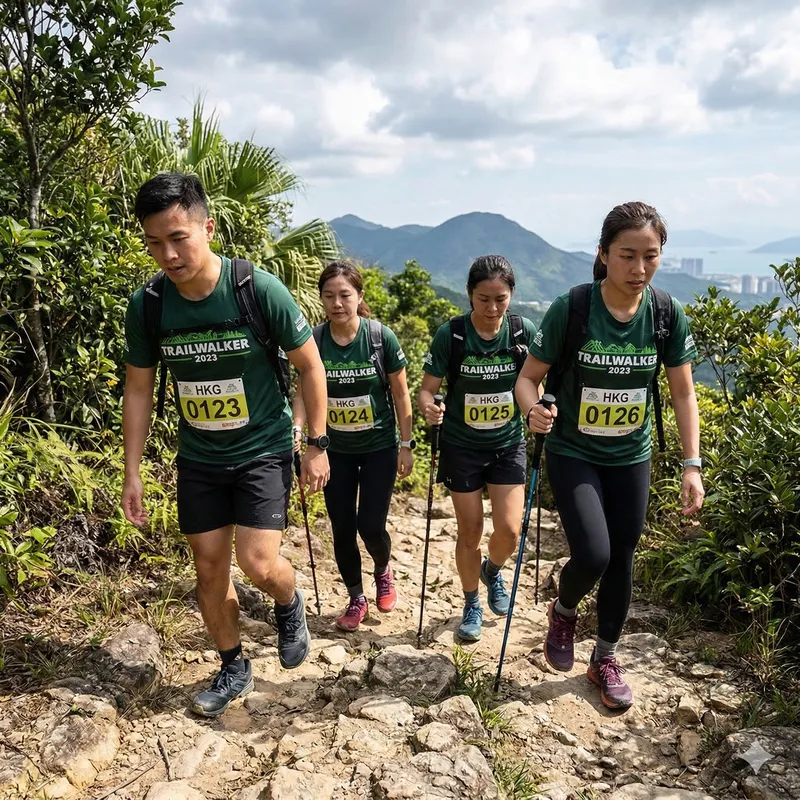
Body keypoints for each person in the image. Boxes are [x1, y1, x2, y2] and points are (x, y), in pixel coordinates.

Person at [121, 173, 330, 718]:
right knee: (209, 569)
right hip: (199, 457)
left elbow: (311, 366)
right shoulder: (149, 306)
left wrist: (317, 443)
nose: (167, 255)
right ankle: (233, 665)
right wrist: (132, 470)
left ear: (207, 228)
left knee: (258, 563)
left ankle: (288, 600)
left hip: (262, 448)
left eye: (178, 238)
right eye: (154, 242)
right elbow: (139, 388)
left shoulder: (256, 289)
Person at [515, 201, 704, 710]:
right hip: (574, 451)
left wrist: (692, 464)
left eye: (650, 255)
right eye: (627, 255)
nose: (639, 268)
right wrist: (533, 410)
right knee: (595, 553)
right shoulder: (573, 308)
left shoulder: (665, 314)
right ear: (603, 254)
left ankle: (605, 657)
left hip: (631, 455)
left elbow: (683, 392)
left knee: (622, 554)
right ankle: (564, 609)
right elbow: (528, 379)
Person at [419, 255, 537, 642]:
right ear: (469, 294)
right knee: (470, 530)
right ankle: (471, 602)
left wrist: (538, 408)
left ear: (511, 295)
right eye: (483, 299)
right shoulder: (452, 335)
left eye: (500, 299)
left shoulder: (522, 332)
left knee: (510, 530)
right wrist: (429, 408)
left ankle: (492, 571)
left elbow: (535, 380)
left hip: (507, 443)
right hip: (461, 445)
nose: (492, 308)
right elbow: (427, 389)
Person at [293, 261, 413, 631]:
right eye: (329, 296)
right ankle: (356, 598)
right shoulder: (314, 341)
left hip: (378, 447)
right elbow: (302, 390)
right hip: (334, 451)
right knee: (342, 526)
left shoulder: (380, 338)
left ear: (359, 296)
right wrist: (298, 430)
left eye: (345, 295)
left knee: (371, 525)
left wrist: (406, 444)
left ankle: (383, 569)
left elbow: (401, 393)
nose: (337, 303)